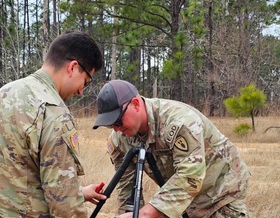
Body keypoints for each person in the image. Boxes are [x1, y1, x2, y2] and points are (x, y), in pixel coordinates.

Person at [0, 31, 107, 217]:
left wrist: (79, 193)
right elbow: (65, 206)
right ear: (73, 67)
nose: (82, 91)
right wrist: (72, 199)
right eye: (86, 81)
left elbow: (14, 178)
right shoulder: (53, 112)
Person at [93, 80, 251, 218]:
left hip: (220, 195)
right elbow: (126, 188)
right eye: (109, 124)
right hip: (181, 201)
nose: (116, 128)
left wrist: (145, 214)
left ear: (135, 104)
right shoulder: (120, 139)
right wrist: (132, 214)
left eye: (118, 120)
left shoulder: (179, 122)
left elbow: (190, 177)